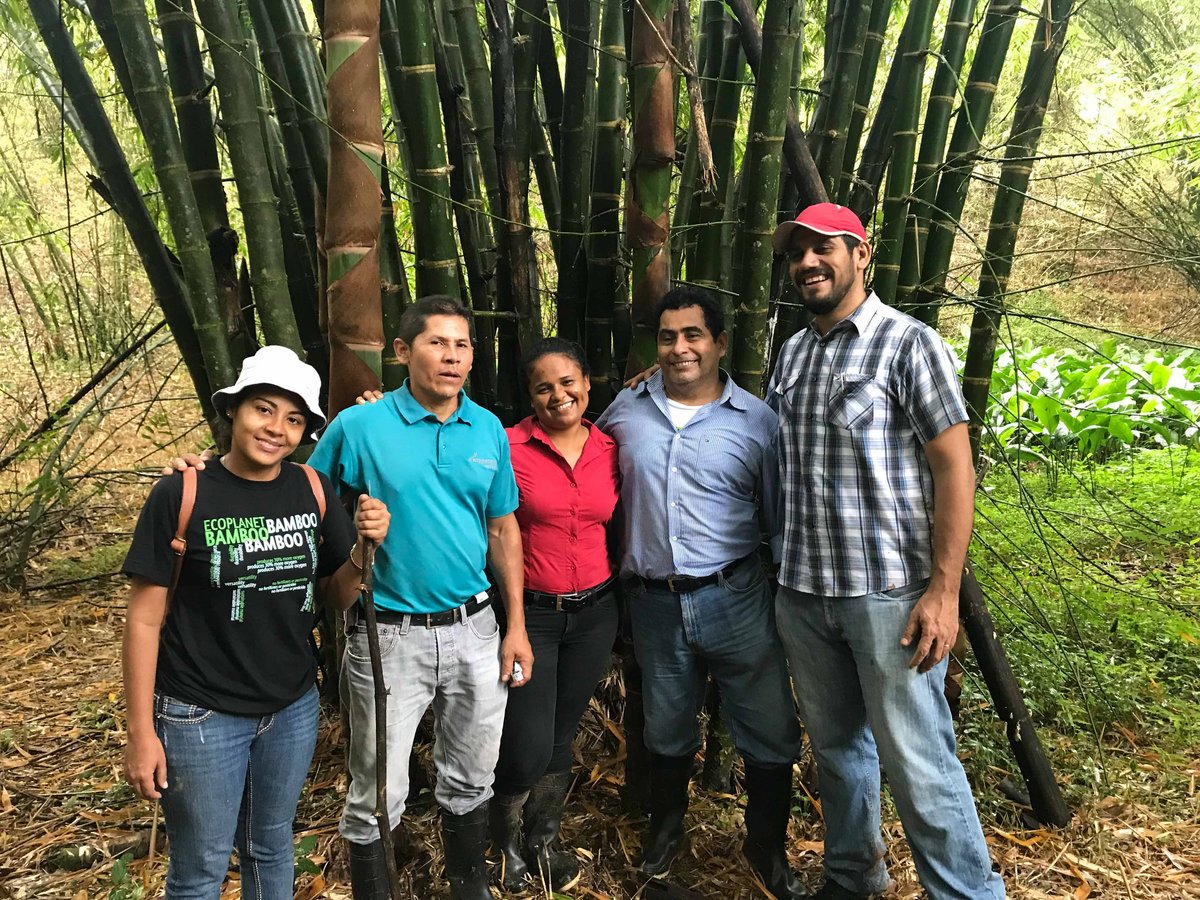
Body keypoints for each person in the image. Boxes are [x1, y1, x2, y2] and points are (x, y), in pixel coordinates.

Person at [768, 203, 1006, 899]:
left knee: (919, 760)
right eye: (797, 253)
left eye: (824, 248)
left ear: (862, 254)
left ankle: (967, 893)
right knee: (837, 750)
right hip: (804, 589)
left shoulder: (909, 344)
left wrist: (943, 591)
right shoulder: (793, 351)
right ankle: (853, 877)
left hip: (888, 595)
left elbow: (954, 468)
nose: (808, 262)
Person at [122, 345, 391, 899]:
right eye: (263, 409)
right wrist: (141, 732)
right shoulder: (182, 491)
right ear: (233, 410)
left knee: (270, 847)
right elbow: (144, 622)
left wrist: (365, 551)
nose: (276, 429)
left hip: (291, 706)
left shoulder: (311, 489)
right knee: (200, 868)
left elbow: (338, 596)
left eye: (293, 419)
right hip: (199, 710)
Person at [596, 286, 805, 899]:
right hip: (653, 602)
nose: (679, 348)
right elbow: (581, 466)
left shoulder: (758, 422)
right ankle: (666, 832)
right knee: (666, 726)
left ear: (720, 343)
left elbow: (778, 516)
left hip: (736, 595)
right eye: (667, 337)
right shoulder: (625, 410)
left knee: (769, 726)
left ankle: (766, 846)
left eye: (693, 335)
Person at [490, 337, 621, 892]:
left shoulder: (611, 445)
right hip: (532, 616)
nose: (558, 395)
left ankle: (543, 840)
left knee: (562, 735)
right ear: (530, 396)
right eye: (543, 387)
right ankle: (503, 842)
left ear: (587, 383)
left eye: (568, 382)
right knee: (527, 744)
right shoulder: (506, 445)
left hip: (596, 612)